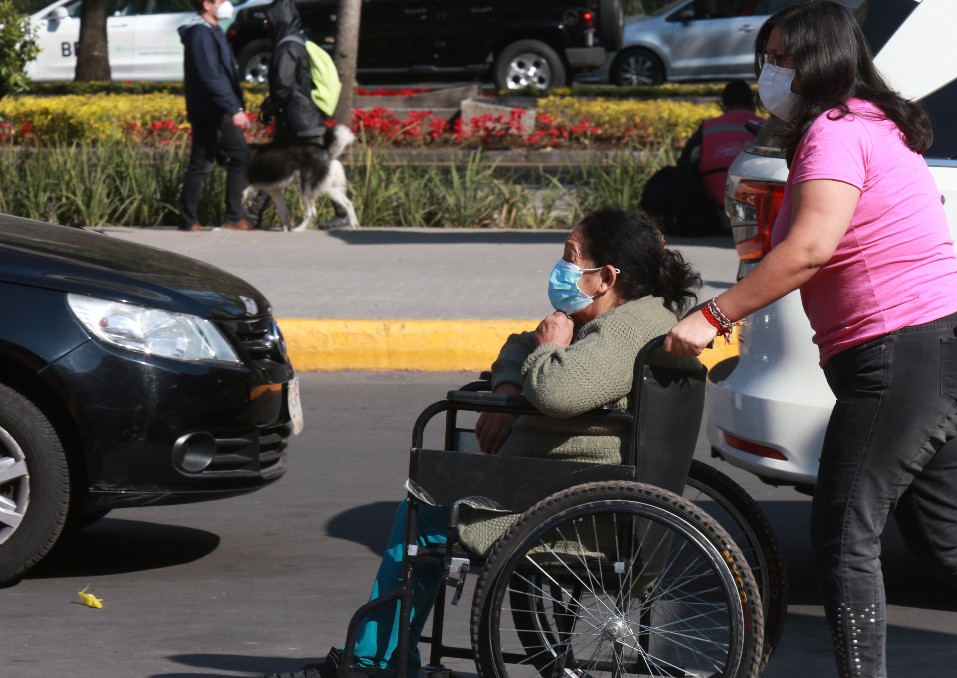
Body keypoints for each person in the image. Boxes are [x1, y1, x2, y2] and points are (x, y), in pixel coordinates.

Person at [663, 3, 957, 678]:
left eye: (782, 60)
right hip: (954, 346)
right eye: (764, 60)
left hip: (905, 356)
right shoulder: (873, 122)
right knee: (943, 533)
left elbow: (809, 250)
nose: (769, 73)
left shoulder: (834, 130)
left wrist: (710, 316)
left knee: (843, 536)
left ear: (821, 62)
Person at [267, 209, 702, 678]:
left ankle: (377, 662)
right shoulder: (628, 318)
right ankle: (388, 658)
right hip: (563, 487)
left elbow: (557, 389)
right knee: (433, 493)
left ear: (606, 277)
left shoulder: (623, 331)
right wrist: (507, 390)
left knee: (428, 509)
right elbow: (520, 342)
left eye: (571, 259)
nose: (560, 270)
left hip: (569, 509)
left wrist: (549, 347)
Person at [248, 0, 354, 230]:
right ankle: (253, 215)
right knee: (277, 164)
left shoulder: (286, 47)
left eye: (269, 20)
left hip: (299, 122)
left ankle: (343, 212)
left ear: (279, 20)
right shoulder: (297, 43)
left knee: (297, 163)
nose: (266, 25)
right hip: (302, 119)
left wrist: (268, 107)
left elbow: (283, 86)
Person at [641, 80, 761, 237]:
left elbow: (684, 163)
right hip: (757, 211)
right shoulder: (765, 126)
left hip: (715, 213)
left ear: (723, 105)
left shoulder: (708, 128)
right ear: (753, 104)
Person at [178, 0, 252, 232]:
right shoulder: (200, 33)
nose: (226, 4)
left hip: (218, 108)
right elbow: (211, 75)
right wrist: (234, 109)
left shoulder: (212, 31)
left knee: (240, 155)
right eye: (219, 1)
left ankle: (233, 216)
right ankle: (188, 219)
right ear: (207, 5)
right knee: (201, 163)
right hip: (208, 110)